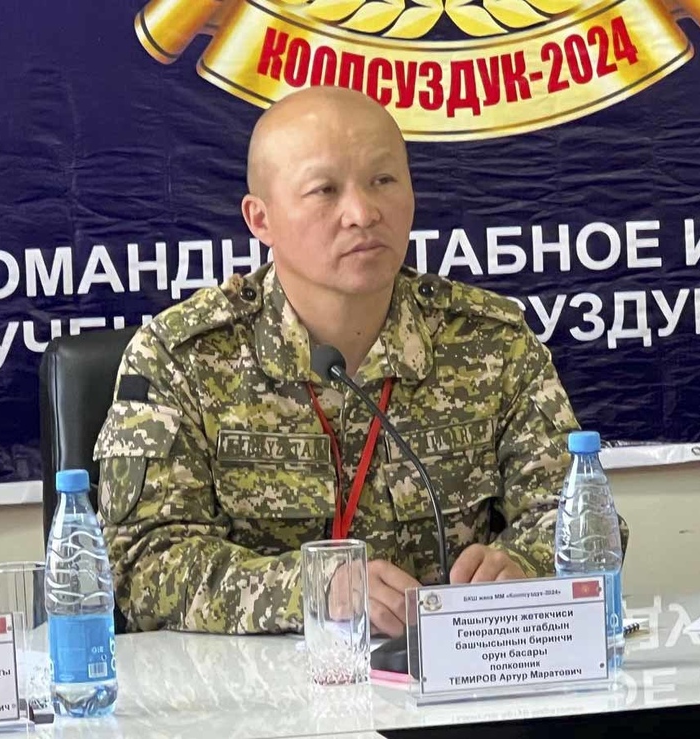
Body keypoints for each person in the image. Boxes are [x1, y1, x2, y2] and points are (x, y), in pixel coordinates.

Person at [95, 86, 586, 638]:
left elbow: (578, 515)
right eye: (325, 190)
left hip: (455, 670)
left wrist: (524, 563)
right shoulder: (182, 357)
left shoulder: (489, 341)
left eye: (384, 180)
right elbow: (142, 563)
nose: (363, 213)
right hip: (257, 684)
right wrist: (312, 589)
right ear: (261, 219)